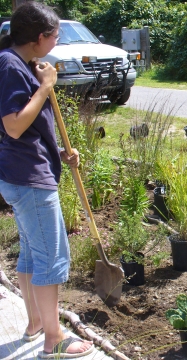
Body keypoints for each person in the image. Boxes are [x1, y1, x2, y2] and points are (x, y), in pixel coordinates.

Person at [0, 2, 93, 358]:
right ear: (40, 38)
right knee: (51, 258)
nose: (57, 41)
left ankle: (36, 322)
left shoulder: (18, 62)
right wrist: (46, 85)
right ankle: (54, 339)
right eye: (55, 36)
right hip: (29, 179)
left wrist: (61, 154)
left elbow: (31, 130)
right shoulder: (10, 64)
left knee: (31, 254)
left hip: (24, 171)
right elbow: (13, 125)